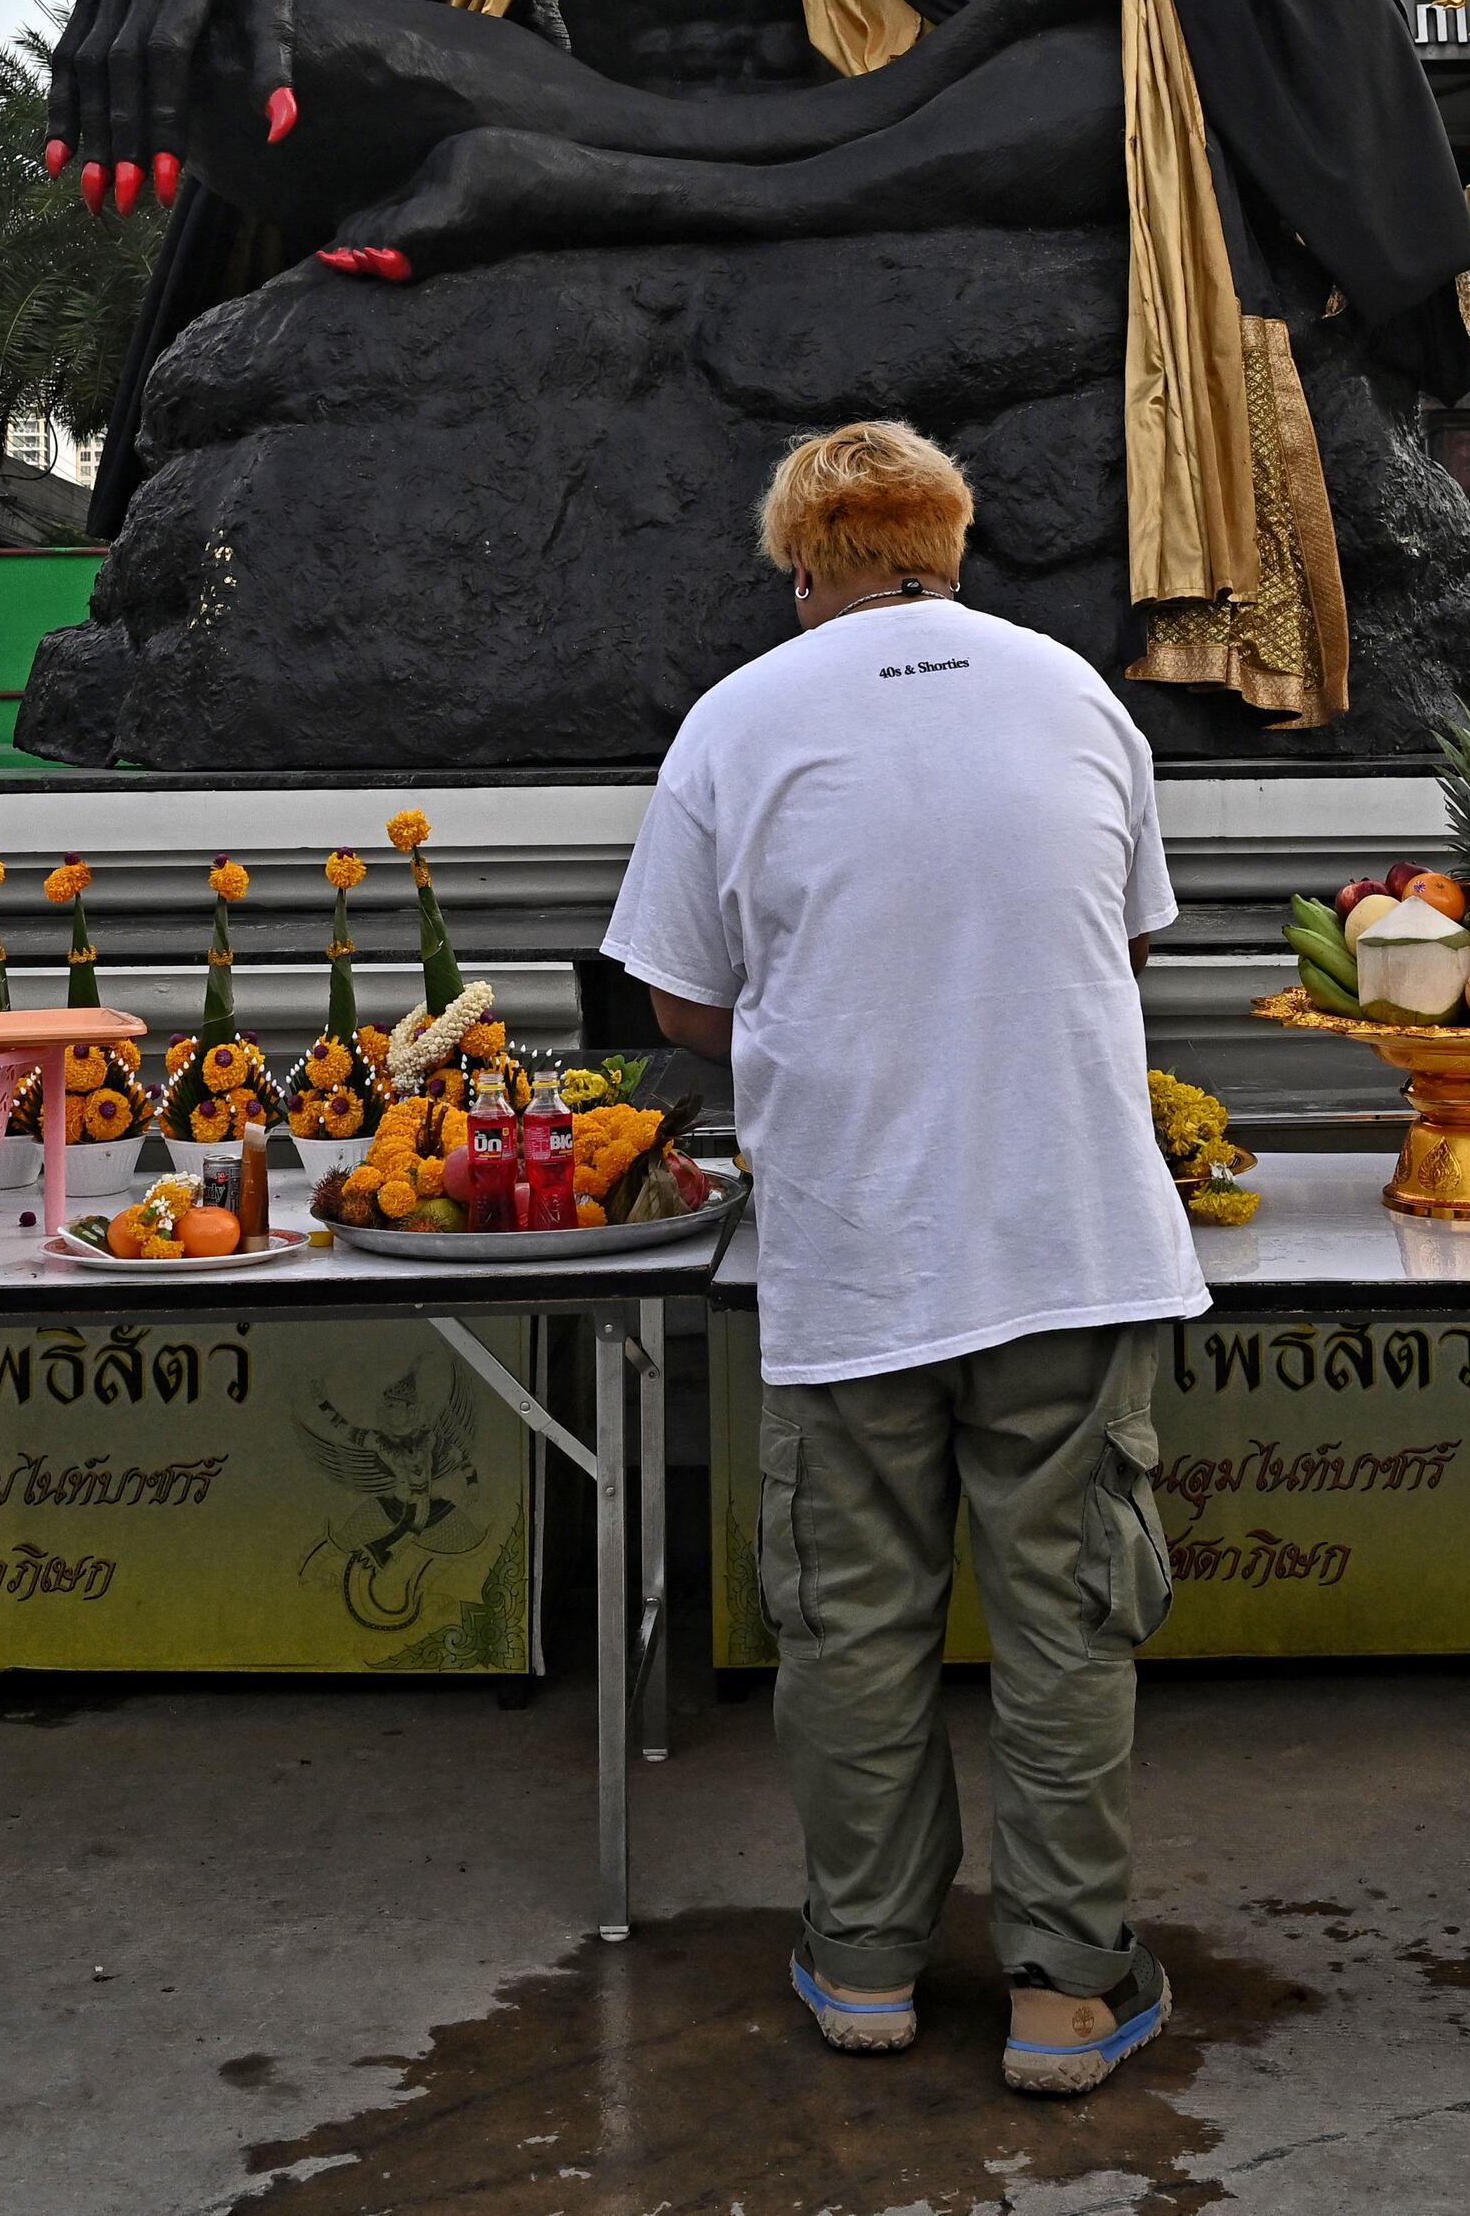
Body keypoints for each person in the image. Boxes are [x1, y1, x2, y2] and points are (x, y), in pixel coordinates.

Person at [602, 419, 1200, 2095]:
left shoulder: (738, 717)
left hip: (856, 1247)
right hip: (1070, 1240)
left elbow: (678, 1002)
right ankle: (1068, 1990)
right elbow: (1128, 930)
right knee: (1070, 1620)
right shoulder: (1076, 691)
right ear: (951, 546)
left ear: (806, 572)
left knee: (855, 1625)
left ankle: (864, 1963)